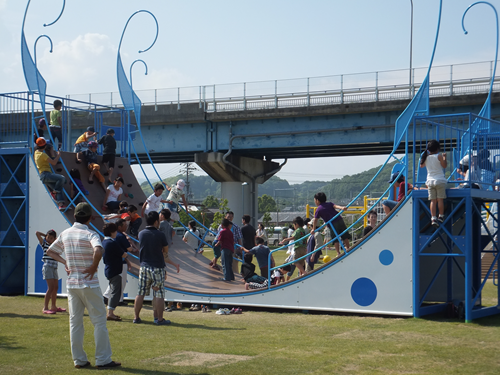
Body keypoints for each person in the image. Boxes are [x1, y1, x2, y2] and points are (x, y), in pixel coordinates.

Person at [46, 202, 121, 369]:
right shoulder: (90, 233)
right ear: (89, 218)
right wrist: (94, 266)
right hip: (89, 284)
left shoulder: (65, 233)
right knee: (99, 322)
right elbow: (98, 250)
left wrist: (65, 262)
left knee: (75, 322)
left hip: (72, 284)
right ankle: (103, 359)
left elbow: (50, 251)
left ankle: (79, 360)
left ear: (75, 216)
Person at [133, 211, 174, 325]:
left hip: (144, 266)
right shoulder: (160, 234)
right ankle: (159, 319)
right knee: (159, 294)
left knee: (140, 293)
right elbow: (165, 250)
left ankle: (136, 317)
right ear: (156, 221)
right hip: (157, 267)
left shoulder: (141, 233)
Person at [103, 219, 137, 306]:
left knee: (116, 283)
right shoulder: (118, 238)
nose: (126, 227)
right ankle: (112, 301)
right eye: (125, 225)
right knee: (119, 283)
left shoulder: (105, 241)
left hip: (112, 264)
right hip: (118, 264)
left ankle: (111, 298)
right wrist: (133, 249)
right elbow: (126, 251)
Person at [102, 223, 129, 322]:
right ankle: (110, 313)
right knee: (115, 292)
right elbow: (123, 254)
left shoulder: (104, 242)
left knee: (113, 291)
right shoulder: (112, 243)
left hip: (109, 269)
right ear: (113, 232)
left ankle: (110, 312)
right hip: (114, 270)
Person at [36, 229, 67, 314]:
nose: (48, 239)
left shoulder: (55, 246)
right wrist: (45, 235)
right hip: (48, 267)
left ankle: (53, 306)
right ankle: (45, 308)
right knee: (50, 288)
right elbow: (37, 233)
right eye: (48, 237)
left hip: (54, 267)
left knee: (55, 287)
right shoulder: (44, 244)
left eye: (51, 238)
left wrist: (55, 239)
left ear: (54, 239)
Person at [311, 192, 351, 257]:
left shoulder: (318, 209)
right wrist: (342, 208)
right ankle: (348, 248)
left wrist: (313, 229)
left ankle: (338, 253)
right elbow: (335, 206)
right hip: (339, 219)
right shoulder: (329, 204)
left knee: (335, 238)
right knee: (344, 234)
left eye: (315, 200)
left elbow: (315, 220)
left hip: (333, 223)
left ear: (317, 200)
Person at [34, 137, 67, 211]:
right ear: (45, 146)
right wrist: (58, 156)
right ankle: (54, 191)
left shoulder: (36, 153)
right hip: (46, 174)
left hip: (43, 176)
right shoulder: (43, 155)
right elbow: (54, 163)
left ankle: (60, 205)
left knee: (59, 187)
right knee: (62, 178)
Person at [420, 139, 447, 227]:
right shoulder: (438, 156)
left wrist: (423, 157)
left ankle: (433, 218)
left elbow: (421, 166)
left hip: (430, 182)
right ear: (437, 149)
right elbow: (444, 165)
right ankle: (441, 216)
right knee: (440, 199)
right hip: (439, 180)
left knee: (433, 201)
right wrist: (444, 158)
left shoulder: (426, 157)